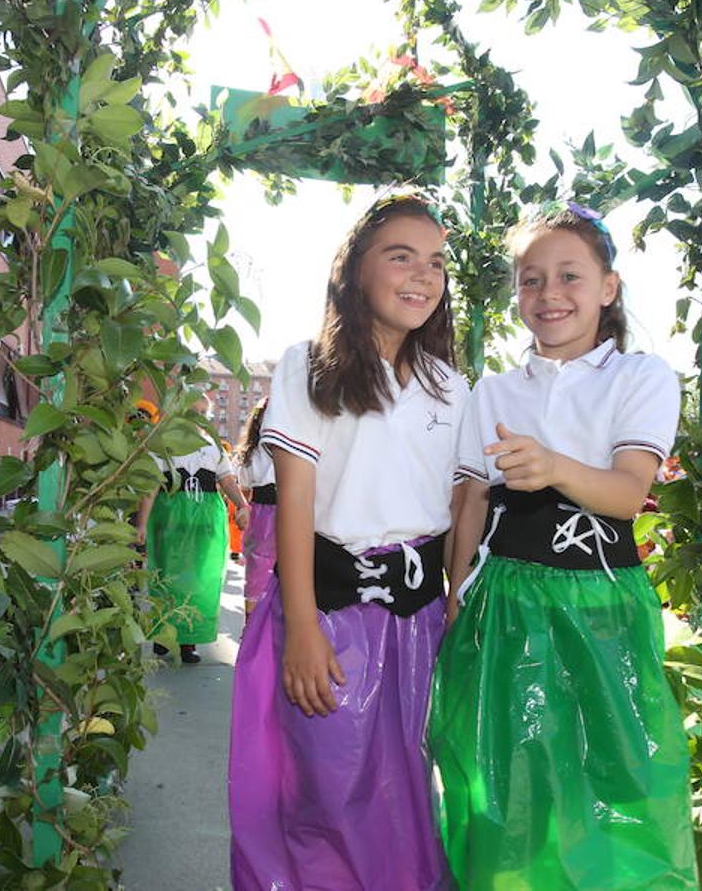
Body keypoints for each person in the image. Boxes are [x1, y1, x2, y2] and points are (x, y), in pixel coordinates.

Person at [428, 202, 697, 889]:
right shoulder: (492, 391)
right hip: (505, 607)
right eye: (531, 279)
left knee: (618, 787)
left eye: (569, 276)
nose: (549, 295)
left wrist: (551, 467)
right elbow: (472, 502)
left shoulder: (641, 378)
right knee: (506, 791)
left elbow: (627, 492)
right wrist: (456, 598)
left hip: (599, 608)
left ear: (608, 287)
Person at [227, 194, 468, 890]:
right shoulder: (311, 366)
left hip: (418, 626)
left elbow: (461, 507)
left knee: (408, 796)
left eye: (436, 262)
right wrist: (301, 625)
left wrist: (456, 603)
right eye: (401, 256)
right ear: (355, 269)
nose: (422, 275)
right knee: (326, 796)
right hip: (329, 616)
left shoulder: (451, 388)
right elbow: (294, 504)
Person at [137, 395, 250, 664]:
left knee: (200, 580)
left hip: (204, 521)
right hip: (170, 519)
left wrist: (242, 505)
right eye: (193, 410)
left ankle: (189, 640)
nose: (198, 416)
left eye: (203, 412)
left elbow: (226, 480)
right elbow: (151, 488)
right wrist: (141, 523)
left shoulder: (212, 447)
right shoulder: (163, 443)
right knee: (165, 577)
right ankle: (163, 637)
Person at [233, 398, 275, 620]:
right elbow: (246, 490)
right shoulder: (251, 454)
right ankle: (251, 627)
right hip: (261, 515)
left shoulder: (293, 449)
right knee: (258, 572)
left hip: (290, 513)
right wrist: (243, 510)